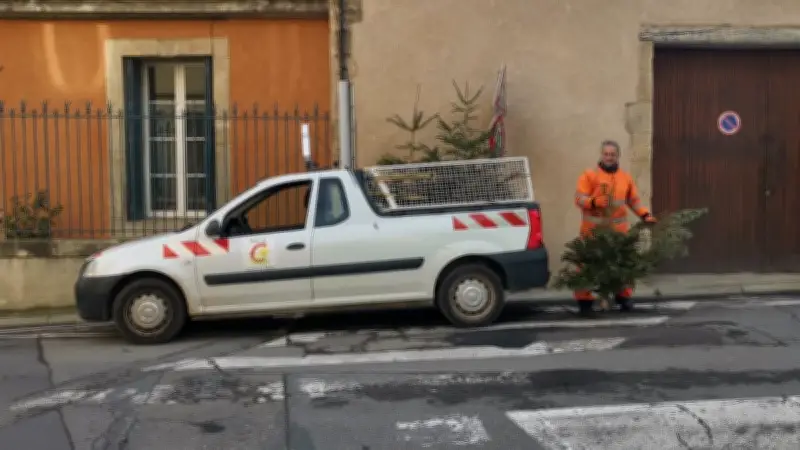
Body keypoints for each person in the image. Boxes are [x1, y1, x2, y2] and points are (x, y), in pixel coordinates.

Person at [573, 140, 657, 316]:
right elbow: (579, 199)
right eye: (606, 154)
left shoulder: (625, 178)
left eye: (612, 154)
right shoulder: (589, 175)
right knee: (587, 266)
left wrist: (645, 215)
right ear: (601, 155)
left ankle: (623, 297)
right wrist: (593, 202)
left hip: (618, 232)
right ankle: (584, 302)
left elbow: (633, 201)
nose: (609, 157)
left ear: (618, 156)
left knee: (621, 263)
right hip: (593, 231)